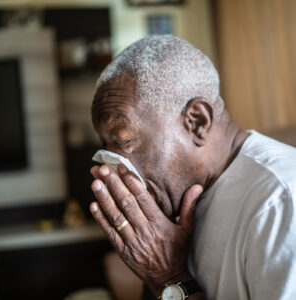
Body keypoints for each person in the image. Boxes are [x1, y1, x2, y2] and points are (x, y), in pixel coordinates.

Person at [89, 35, 296, 300]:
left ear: (197, 121)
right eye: (106, 149)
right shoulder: (180, 195)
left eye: (125, 142)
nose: (113, 168)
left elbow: (167, 281)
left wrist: (169, 278)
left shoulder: (281, 201)